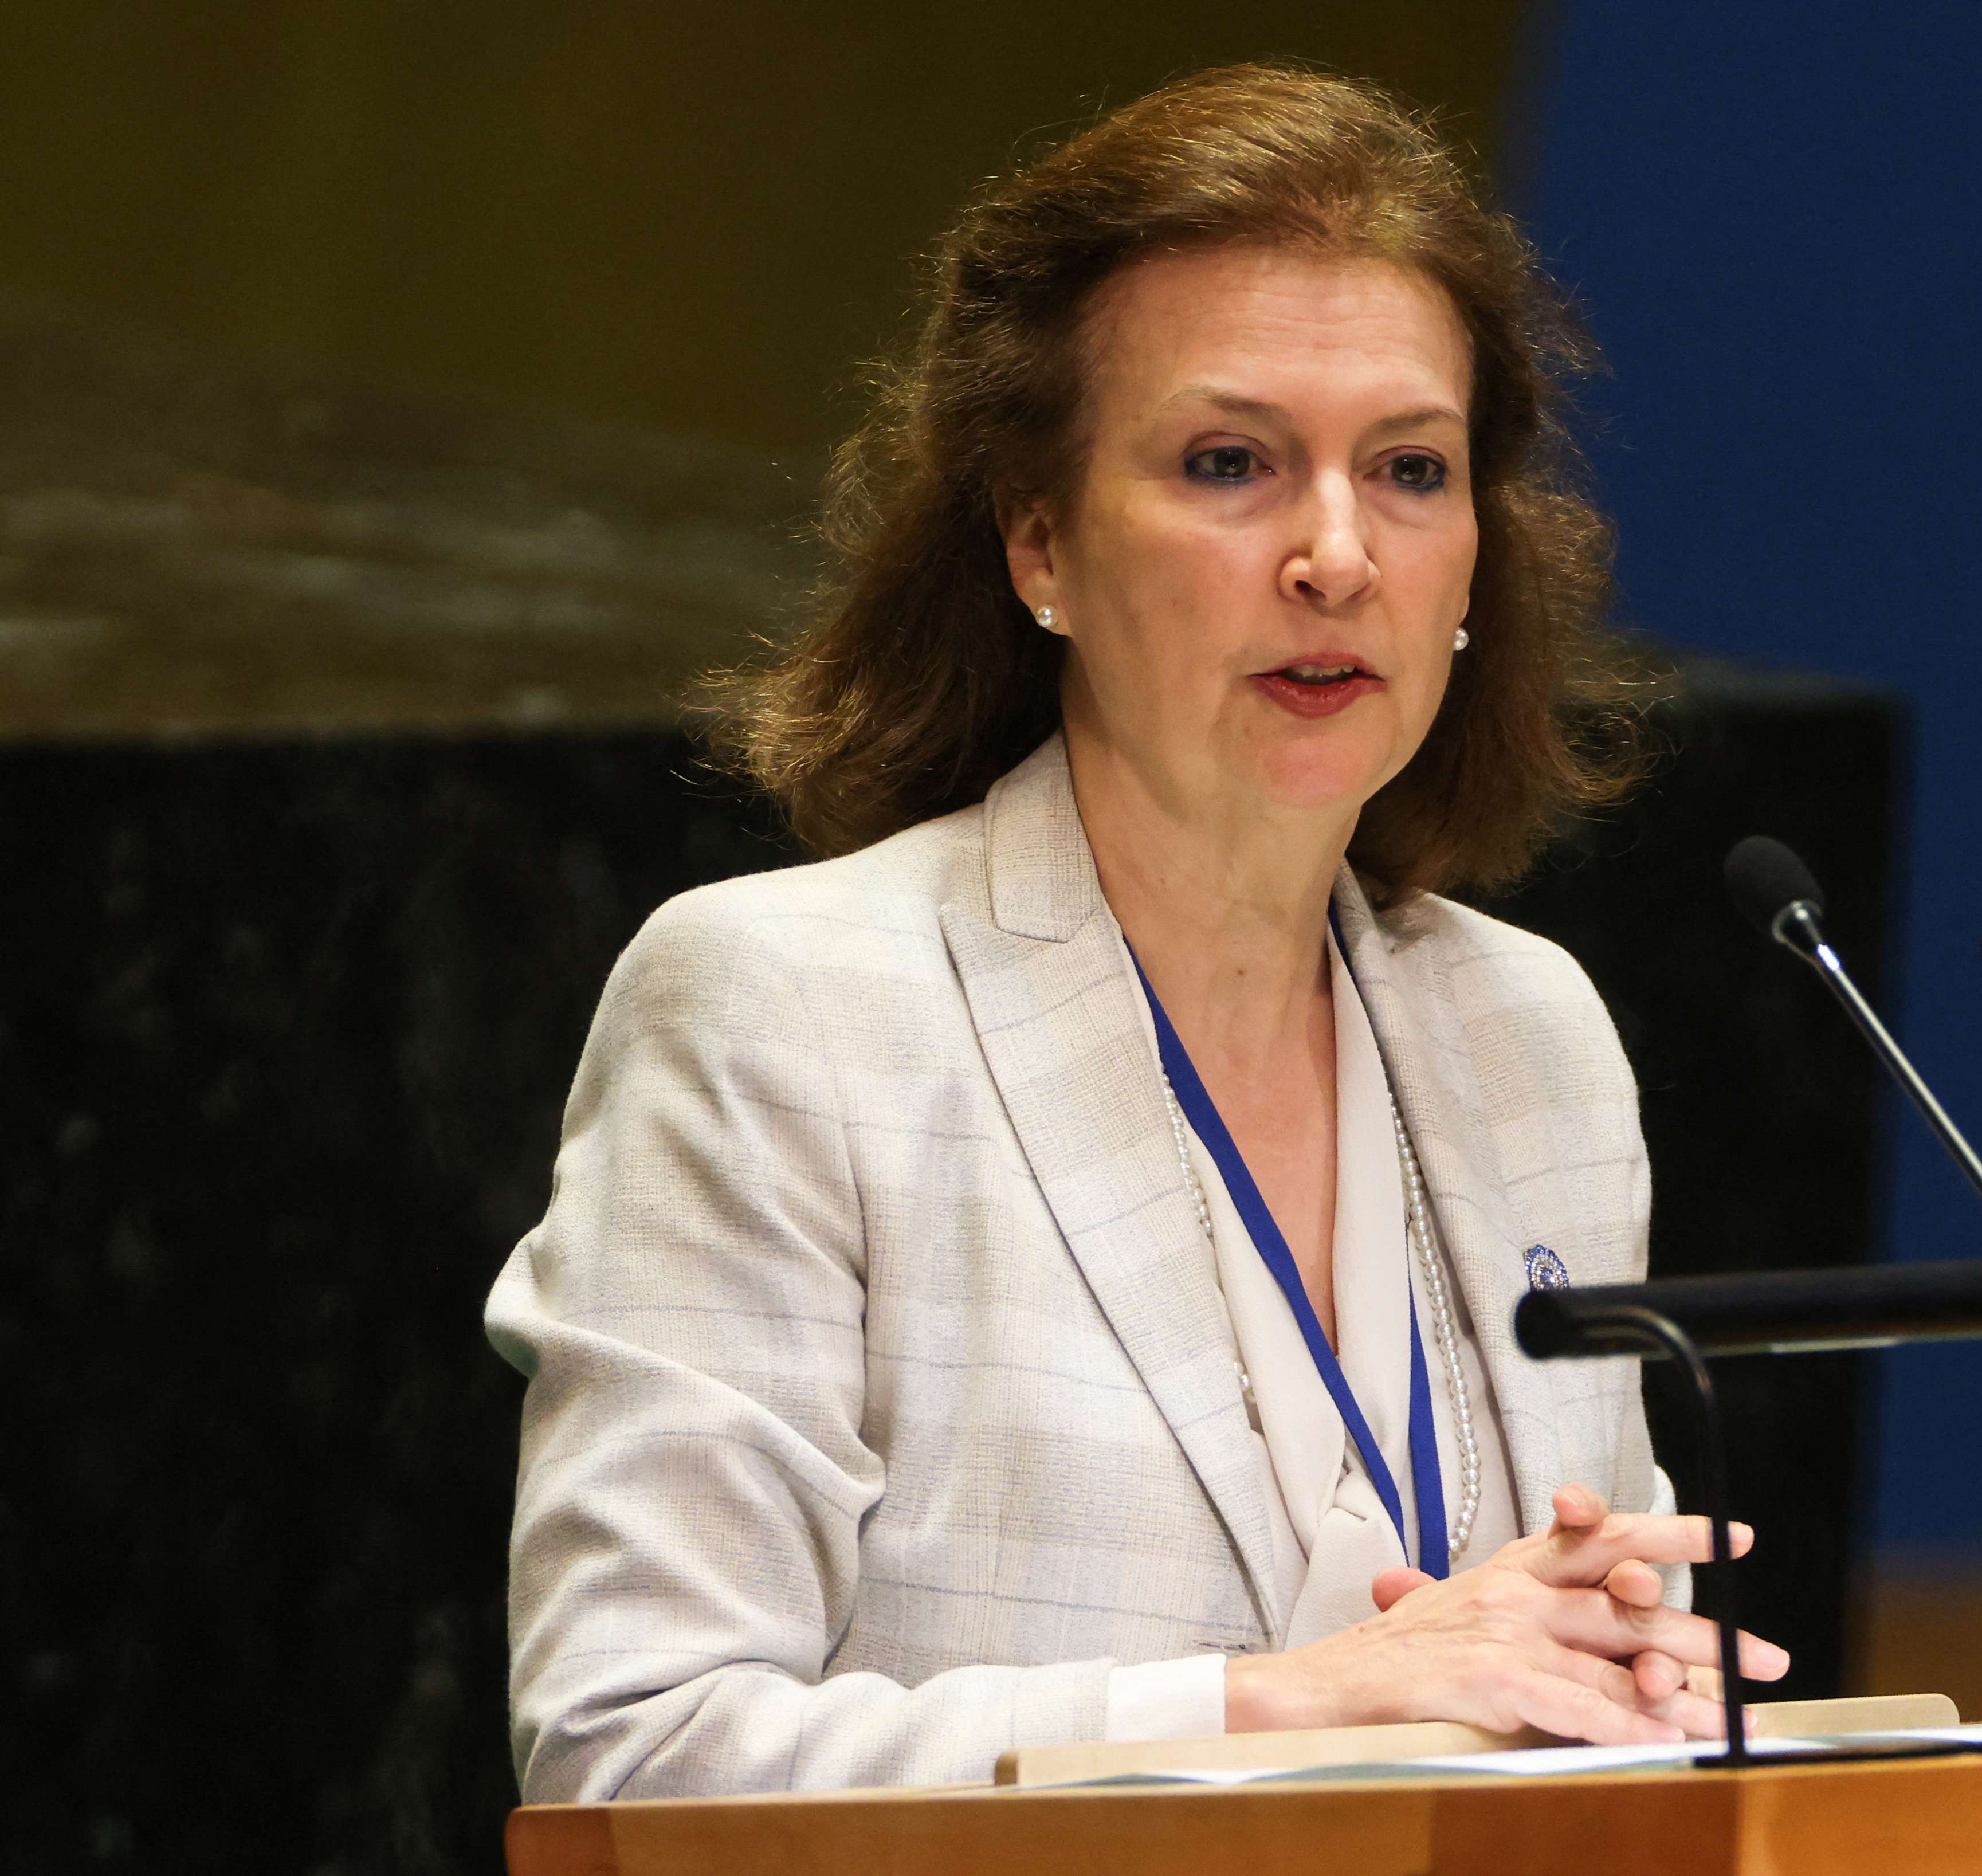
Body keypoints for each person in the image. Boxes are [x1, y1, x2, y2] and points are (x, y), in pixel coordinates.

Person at [482, 64, 1785, 1802]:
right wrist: (1278, 1704)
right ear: (1041, 544)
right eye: (1231, 463)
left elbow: (1556, 1695)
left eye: (1410, 469)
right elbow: (631, 1759)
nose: (1337, 554)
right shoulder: (785, 1009)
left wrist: (1640, 1692)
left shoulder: (1526, 1033)